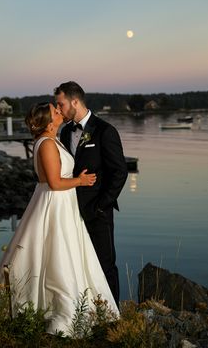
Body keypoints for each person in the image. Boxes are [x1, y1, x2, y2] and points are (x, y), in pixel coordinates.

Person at [0, 102, 119, 335]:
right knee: (58, 254)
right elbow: (54, 182)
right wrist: (80, 181)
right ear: (49, 122)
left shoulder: (51, 140)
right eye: (55, 111)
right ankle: (61, 312)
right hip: (55, 203)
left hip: (62, 204)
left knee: (62, 254)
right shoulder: (48, 144)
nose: (60, 112)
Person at [54, 81, 128, 307]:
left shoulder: (105, 131)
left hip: (98, 211)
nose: (59, 109)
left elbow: (119, 172)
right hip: (71, 211)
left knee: (105, 263)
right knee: (77, 264)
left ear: (75, 101)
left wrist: (101, 205)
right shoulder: (66, 132)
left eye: (61, 104)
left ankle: (113, 313)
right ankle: (86, 311)